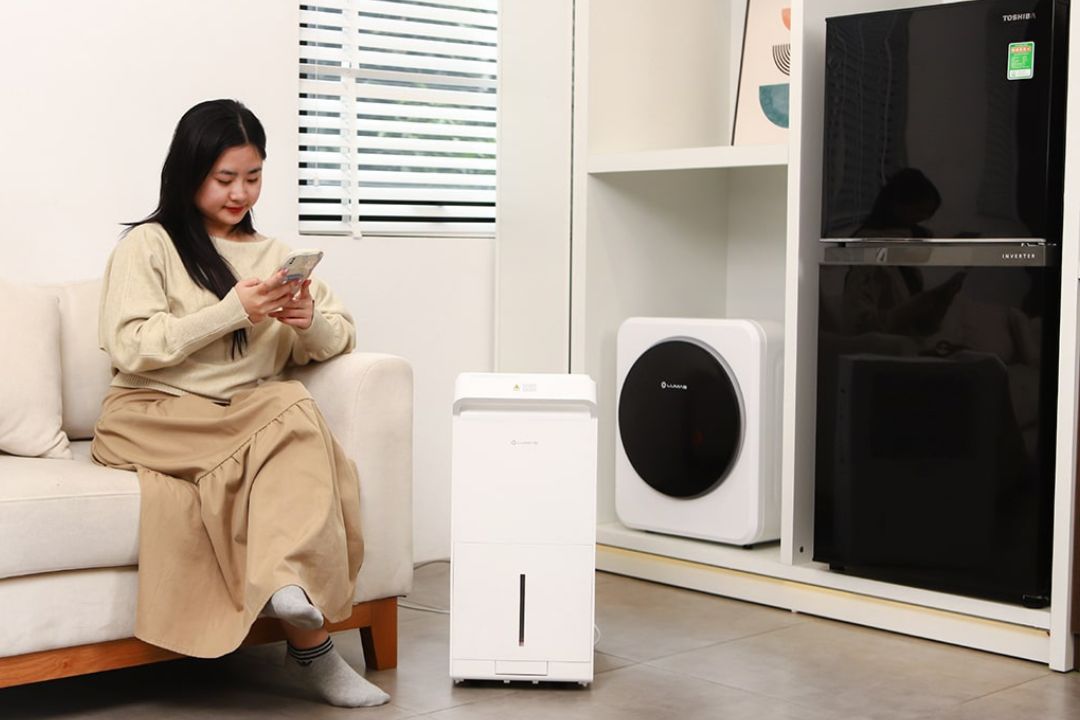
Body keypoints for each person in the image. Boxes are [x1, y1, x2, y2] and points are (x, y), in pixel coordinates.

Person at [91, 99, 389, 708]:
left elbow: (338, 337)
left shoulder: (275, 256)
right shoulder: (149, 245)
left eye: (253, 177)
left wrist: (306, 321)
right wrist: (232, 312)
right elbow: (131, 345)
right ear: (189, 171)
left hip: (235, 419)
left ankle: (291, 599)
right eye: (225, 178)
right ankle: (313, 649)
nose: (240, 193)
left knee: (289, 409)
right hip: (150, 414)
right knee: (291, 410)